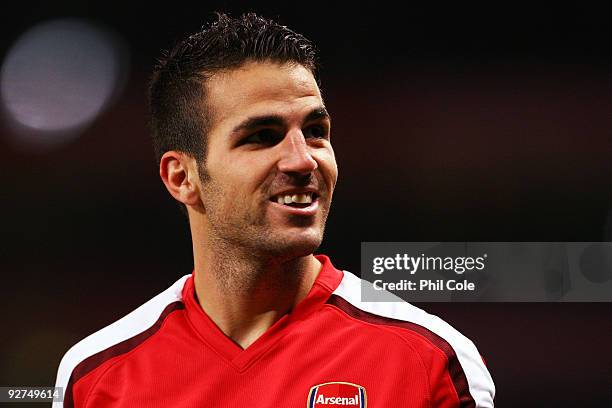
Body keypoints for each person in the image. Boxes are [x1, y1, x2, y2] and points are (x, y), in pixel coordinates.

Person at [54, 12, 495, 407]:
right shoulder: (95, 379)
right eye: (262, 136)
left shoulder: (429, 361)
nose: (304, 160)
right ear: (181, 178)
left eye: (316, 130)